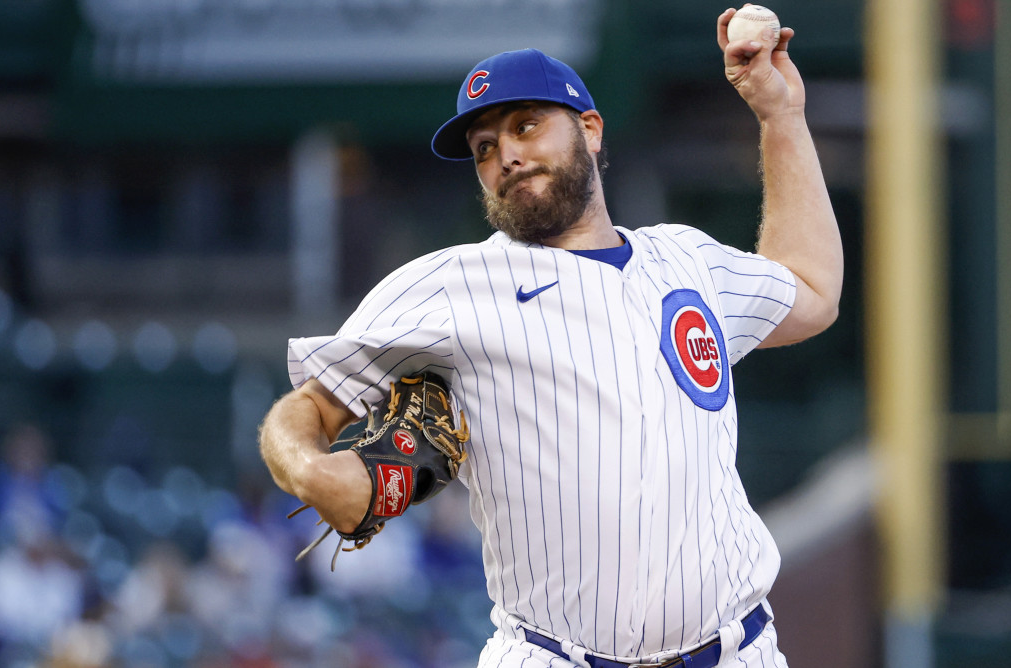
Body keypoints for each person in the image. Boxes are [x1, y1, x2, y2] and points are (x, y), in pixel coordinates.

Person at [259, 8, 843, 667]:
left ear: (590, 129)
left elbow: (812, 292)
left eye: (526, 124)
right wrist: (311, 471)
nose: (505, 153)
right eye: (484, 147)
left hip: (736, 650)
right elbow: (303, 409)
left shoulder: (686, 260)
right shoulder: (452, 285)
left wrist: (780, 116)